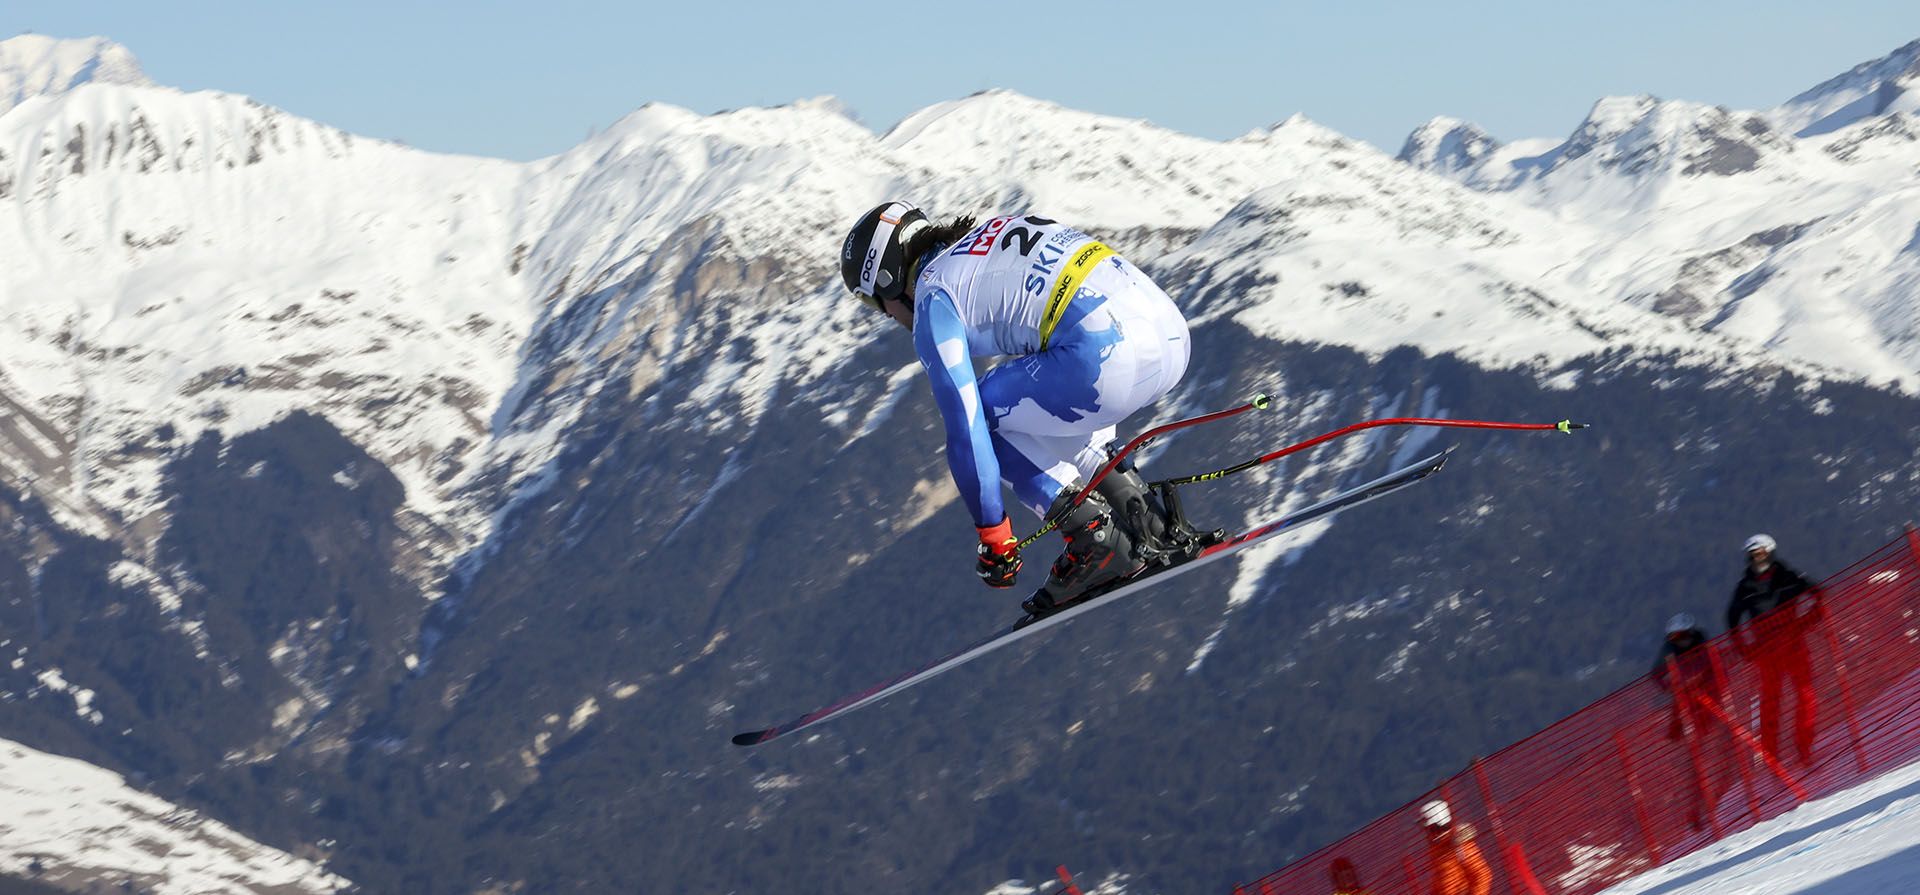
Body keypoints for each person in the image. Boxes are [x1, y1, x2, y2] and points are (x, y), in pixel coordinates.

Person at [838, 202, 1192, 613]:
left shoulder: (935, 298)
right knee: (1042, 380)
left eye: (871, 303)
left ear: (887, 280)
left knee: (982, 413)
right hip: (1173, 340)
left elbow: (965, 429)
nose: (883, 315)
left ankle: (1090, 533)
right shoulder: (992, 232)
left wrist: (993, 534)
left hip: (1109, 364)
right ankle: (1145, 515)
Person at [1725, 533, 1824, 765]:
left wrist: (1806, 621)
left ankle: (1804, 746)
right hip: (1766, 652)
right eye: (1752, 555)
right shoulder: (1744, 587)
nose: (1756, 558)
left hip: (1794, 645)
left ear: (1770, 551)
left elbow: (1818, 594)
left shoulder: (1789, 576)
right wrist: (1744, 649)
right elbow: (1732, 620)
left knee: (1806, 694)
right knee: (1770, 703)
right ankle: (1771, 756)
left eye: (1759, 553)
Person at [1652, 612, 1733, 830]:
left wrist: (1705, 688)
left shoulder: (1704, 648)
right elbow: (1656, 674)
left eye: (1682, 635)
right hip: (1688, 712)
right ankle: (1697, 813)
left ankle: (1722, 800)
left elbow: (1719, 674)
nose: (1680, 641)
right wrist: (1673, 687)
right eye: (1674, 637)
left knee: (1722, 756)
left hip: (1711, 707)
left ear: (1691, 632)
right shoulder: (1669, 652)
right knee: (1697, 765)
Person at [1419, 800, 1491, 895]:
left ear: (1435, 826)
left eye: (1426, 828)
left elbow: (1482, 876)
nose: (1425, 831)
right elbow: (1439, 883)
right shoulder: (1437, 848)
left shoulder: (1460, 844)